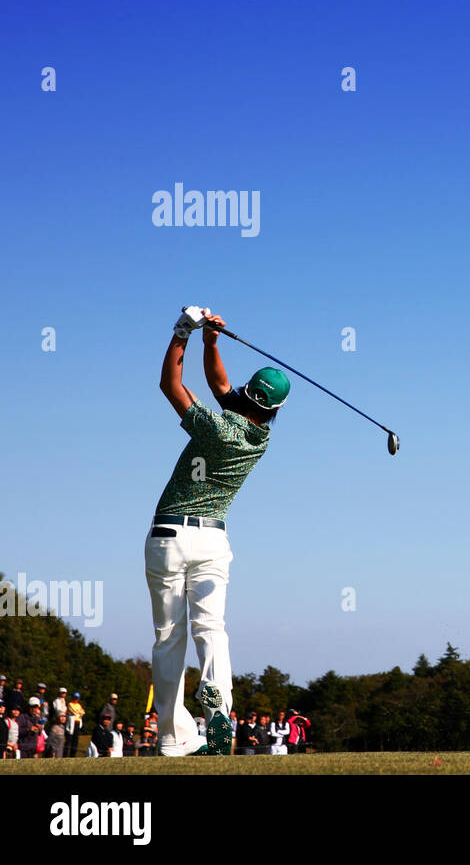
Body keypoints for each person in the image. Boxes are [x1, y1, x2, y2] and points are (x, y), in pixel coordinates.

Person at [147, 307, 290, 757]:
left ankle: (173, 737)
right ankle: (220, 711)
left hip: (170, 535)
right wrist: (212, 343)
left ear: (248, 394)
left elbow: (171, 385)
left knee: (170, 637)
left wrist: (182, 332)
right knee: (212, 628)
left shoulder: (216, 427)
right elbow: (220, 387)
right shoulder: (259, 438)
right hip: (214, 541)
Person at [66, 692, 85, 757]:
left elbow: (82, 712)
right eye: (75, 698)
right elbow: (73, 711)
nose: (76, 699)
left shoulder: (79, 705)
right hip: (71, 722)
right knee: (69, 738)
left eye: (77, 698)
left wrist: (79, 713)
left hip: (78, 722)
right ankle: (65, 754)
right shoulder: (70, 704)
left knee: (75, 739)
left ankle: (72, 755)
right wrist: (79, 712)